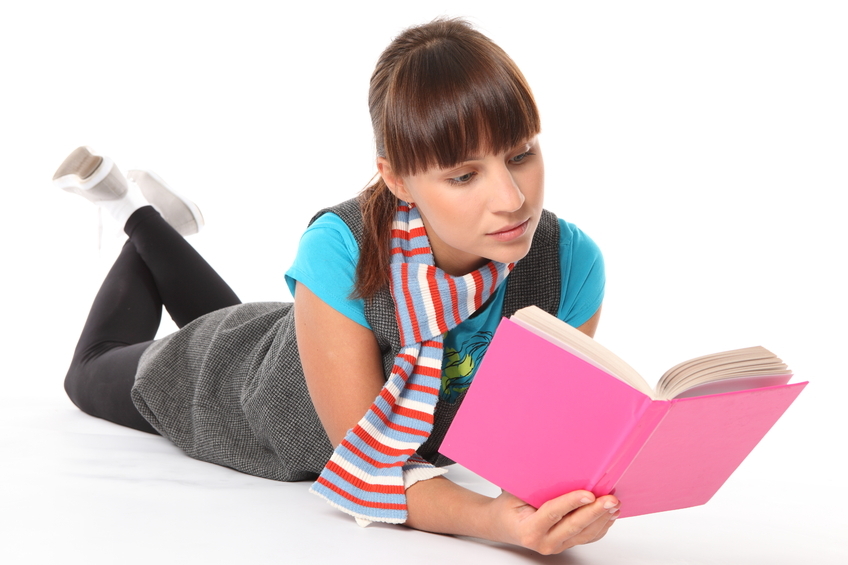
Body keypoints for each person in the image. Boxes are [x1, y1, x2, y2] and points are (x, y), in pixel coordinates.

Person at [57, 18, 619, 555]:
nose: (512, 199)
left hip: (289, 341)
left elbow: (528, 441)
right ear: (397, 179)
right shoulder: (338, 249)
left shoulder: (570, 266)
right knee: (86, 372)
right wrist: (493, 521)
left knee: (241, 325)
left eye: (521, 154)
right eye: (464, 175)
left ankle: (162, 229)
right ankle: (132, 210)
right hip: (232, 391)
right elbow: (373, 466)